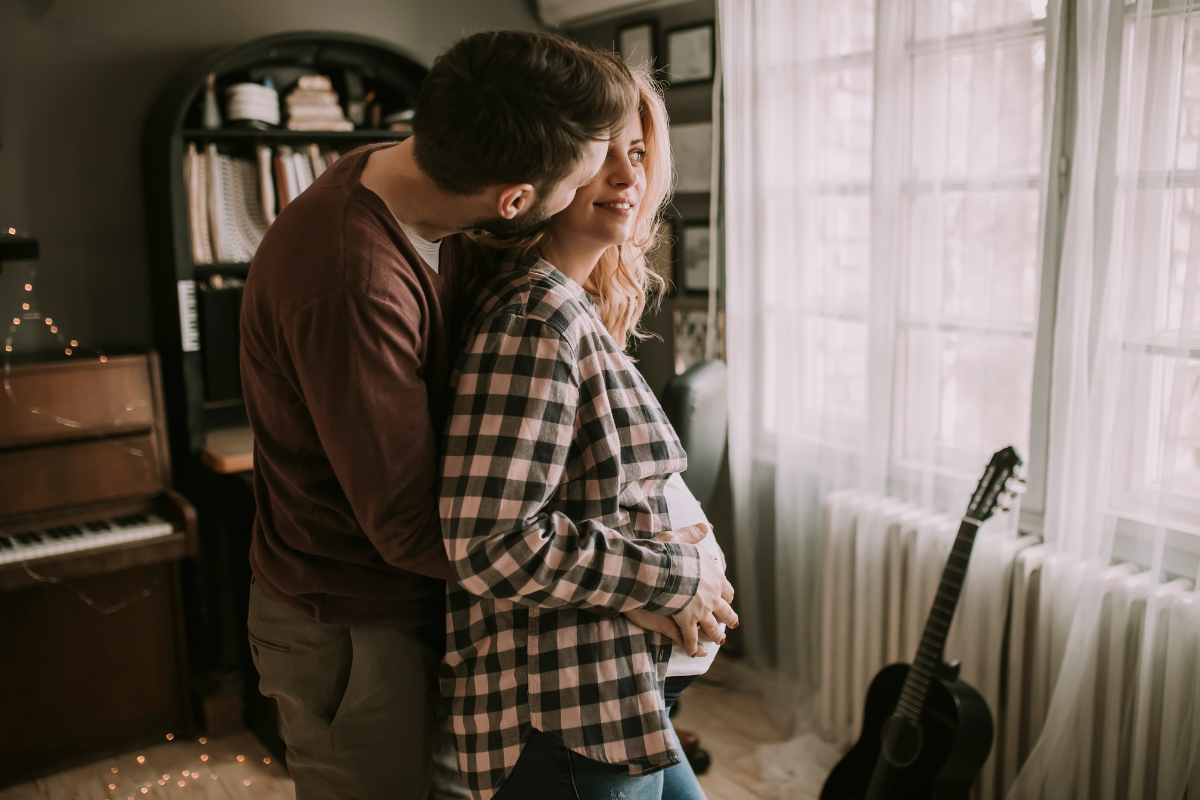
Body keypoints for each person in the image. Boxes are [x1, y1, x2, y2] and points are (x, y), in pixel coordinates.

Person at [239, 31, 674, 800]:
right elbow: (427, 530)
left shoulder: (414, 174)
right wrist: (649, 578)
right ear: (514, 203)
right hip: (351, 620)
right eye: (581, 176)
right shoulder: (351, 282)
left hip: (421, 601)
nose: (609, 183)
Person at [439, 65, 738, 800]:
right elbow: (492, 543)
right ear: (544, 165)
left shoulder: (567, 308)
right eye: (599, 147)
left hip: (620, 697)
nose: (623, 174)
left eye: (636, 154)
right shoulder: (533, 320)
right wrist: (671, 579)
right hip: (565, 717)